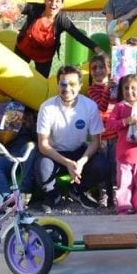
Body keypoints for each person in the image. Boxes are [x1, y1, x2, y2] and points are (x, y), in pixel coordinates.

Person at [35, 65, 109, 213]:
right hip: (54, 153)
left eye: (72, 84)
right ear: (57, 85)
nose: (67, 88)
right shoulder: (47, 107)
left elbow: (96, 142)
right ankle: (53, 195)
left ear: (80, 86)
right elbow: (43, 145)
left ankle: (77, 190)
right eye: (63, 84)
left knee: (102, 165)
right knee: (41, 168)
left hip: (78, 151)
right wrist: (67, 163)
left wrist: (81, 162)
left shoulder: (90, 106)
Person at [15, 0, 103, 78]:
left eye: (57, 1)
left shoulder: (61, 20)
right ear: (45, 1)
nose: (53, 3)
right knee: (16, 76)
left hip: (44, 58)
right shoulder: (35, 8)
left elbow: (79, 36)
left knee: (41, 84)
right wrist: (5, 8)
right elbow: (17, 7)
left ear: (61, 5)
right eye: (50, 0)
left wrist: (97, 49)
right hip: (23, 50)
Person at [105, 74, 137, 214]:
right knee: (124, 182)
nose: (130, 91)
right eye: (126, 88)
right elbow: (110, 124)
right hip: (124, 154)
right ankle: (124, 207)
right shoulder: (120, 106)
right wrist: (125, 121)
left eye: (134, 88)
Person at [86, 53, 117, 207]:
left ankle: (116, 194)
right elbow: (101, 107)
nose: (98, 70)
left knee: (115, 165)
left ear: (109, 69)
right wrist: (106, 90)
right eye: (94, 68)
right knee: (104, 165)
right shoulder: (92, 90)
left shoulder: (117, 86)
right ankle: (104, 194)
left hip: (116, 134)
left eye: (102, 67)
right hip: (102, 135)